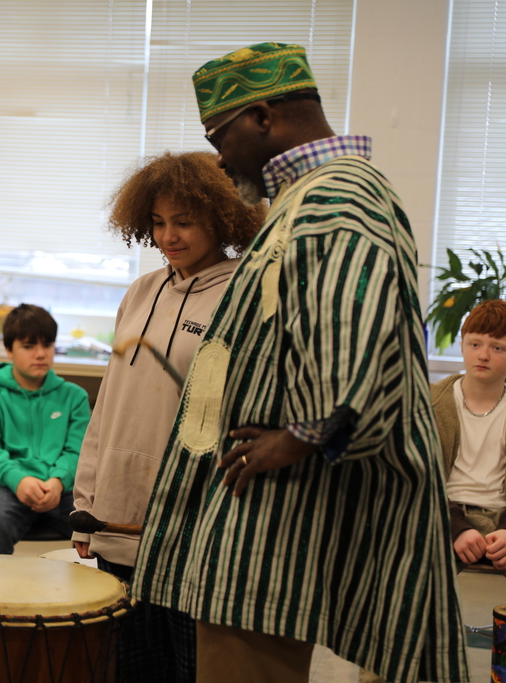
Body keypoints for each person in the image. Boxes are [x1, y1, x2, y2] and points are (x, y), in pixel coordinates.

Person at [129, 43, 469, 683]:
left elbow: (363, 335)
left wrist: (304, 435)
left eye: (220, 137)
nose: (221, 159)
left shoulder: (340, 197)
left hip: (276, 526)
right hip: (262, 522)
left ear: (263, 116)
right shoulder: (307, 198)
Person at [70, 150, 264, 683]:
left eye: (183, 221)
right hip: (115, 518)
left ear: (221, 218)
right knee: (127, 667)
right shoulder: (140, 291)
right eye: (157, 222)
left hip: (188, 527)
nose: (168, 236)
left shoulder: (244, 293)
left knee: (189, 669)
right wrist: (85, 502)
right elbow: (107, 404)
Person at [0, 303, 91, 554]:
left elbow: (78, 452)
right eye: (28, 346)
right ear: (8, 350)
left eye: (47, 345)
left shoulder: (75, 397)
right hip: (4, 485)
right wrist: (19, 480)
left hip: (62, 489)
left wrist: (58, 482)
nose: (40, 354)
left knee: (98, 526)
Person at [431, 298, 506, 574]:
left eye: (497, 348)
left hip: (500, 524)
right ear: (462, 345)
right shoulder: (430, 404)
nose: (483, 355)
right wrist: (455, 529)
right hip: (440, 519)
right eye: (475, 344)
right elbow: (419, 477)